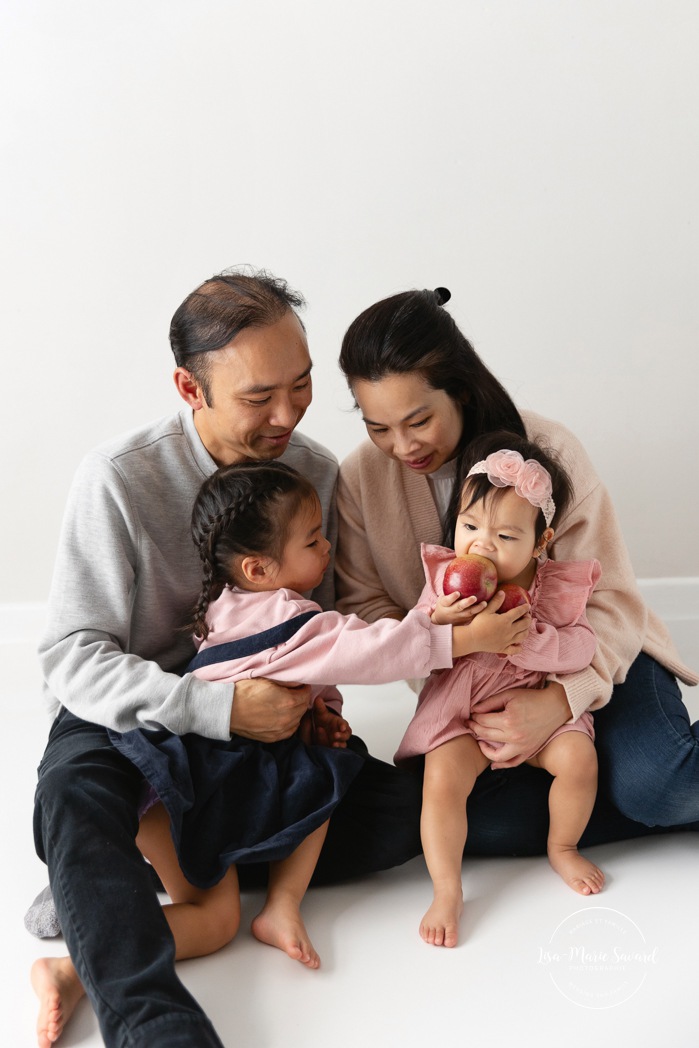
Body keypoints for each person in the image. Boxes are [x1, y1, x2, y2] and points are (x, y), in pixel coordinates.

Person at [28, 270, 425, 1048]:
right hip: (140, 715)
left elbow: (321, 618)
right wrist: (215, 707)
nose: (286, 415)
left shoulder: (311, 470)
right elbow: (71, 656)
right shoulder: (118, 477)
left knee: (405, 814)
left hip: (256, 732)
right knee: (73, 801)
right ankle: (154, 1020)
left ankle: (111, 901)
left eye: (302, 385)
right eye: (257, 398)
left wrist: (318, 704)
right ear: (189, 386)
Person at [34, 456, 478, 1035]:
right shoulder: (290, 617)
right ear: (259, 567)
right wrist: (456, 637)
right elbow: (365, 650)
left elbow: (318, 675)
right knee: (325, 778)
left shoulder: (231, 603)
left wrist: (325, 716)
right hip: (195, 785)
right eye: (314, 541)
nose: (326, 552)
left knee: (215, 922)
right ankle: (278, 902)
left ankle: (72, 966)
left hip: (170, 782)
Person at [336, 285, 698, 861]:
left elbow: (614, 605)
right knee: (463, 823)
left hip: (601, 655)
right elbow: (369, 607)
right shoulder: (360, 478)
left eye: (418, 420)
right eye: (379, 428)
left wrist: (561, 701)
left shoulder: (546, 451)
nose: (401, 446)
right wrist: (451, 653)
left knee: (661, 786)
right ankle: (595, 798)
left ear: (459, 387)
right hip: (476, 688)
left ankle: (634, 791)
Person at [394, 432, 604, 947]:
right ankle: (447, 889)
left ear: (541, 541)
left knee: (579, 759)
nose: (480, 545)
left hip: (538, 710)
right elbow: (409, 638)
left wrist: (529, 642)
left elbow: (583, 647)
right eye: (469, 526)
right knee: (441, 780)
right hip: (463, 715)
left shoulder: (552, 587)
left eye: (506, 537)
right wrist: (440, 621)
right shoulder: (447, 580)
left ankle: (563, 846)